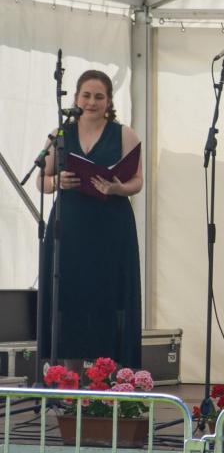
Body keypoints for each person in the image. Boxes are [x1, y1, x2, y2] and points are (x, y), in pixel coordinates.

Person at [38, 70, 143, 368]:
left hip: (111, 225)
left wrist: (117, 188)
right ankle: (68, 376)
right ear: (75, 98)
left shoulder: (124, 134)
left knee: (107, 292)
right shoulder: (60, 134)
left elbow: (138, 180)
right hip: (69, 225)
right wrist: (57, 181)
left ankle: (109, 373)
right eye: (86, 95)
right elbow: (41, 181)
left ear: (109, 101)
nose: (92, 102)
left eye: (99, 96)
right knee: (69, 292)